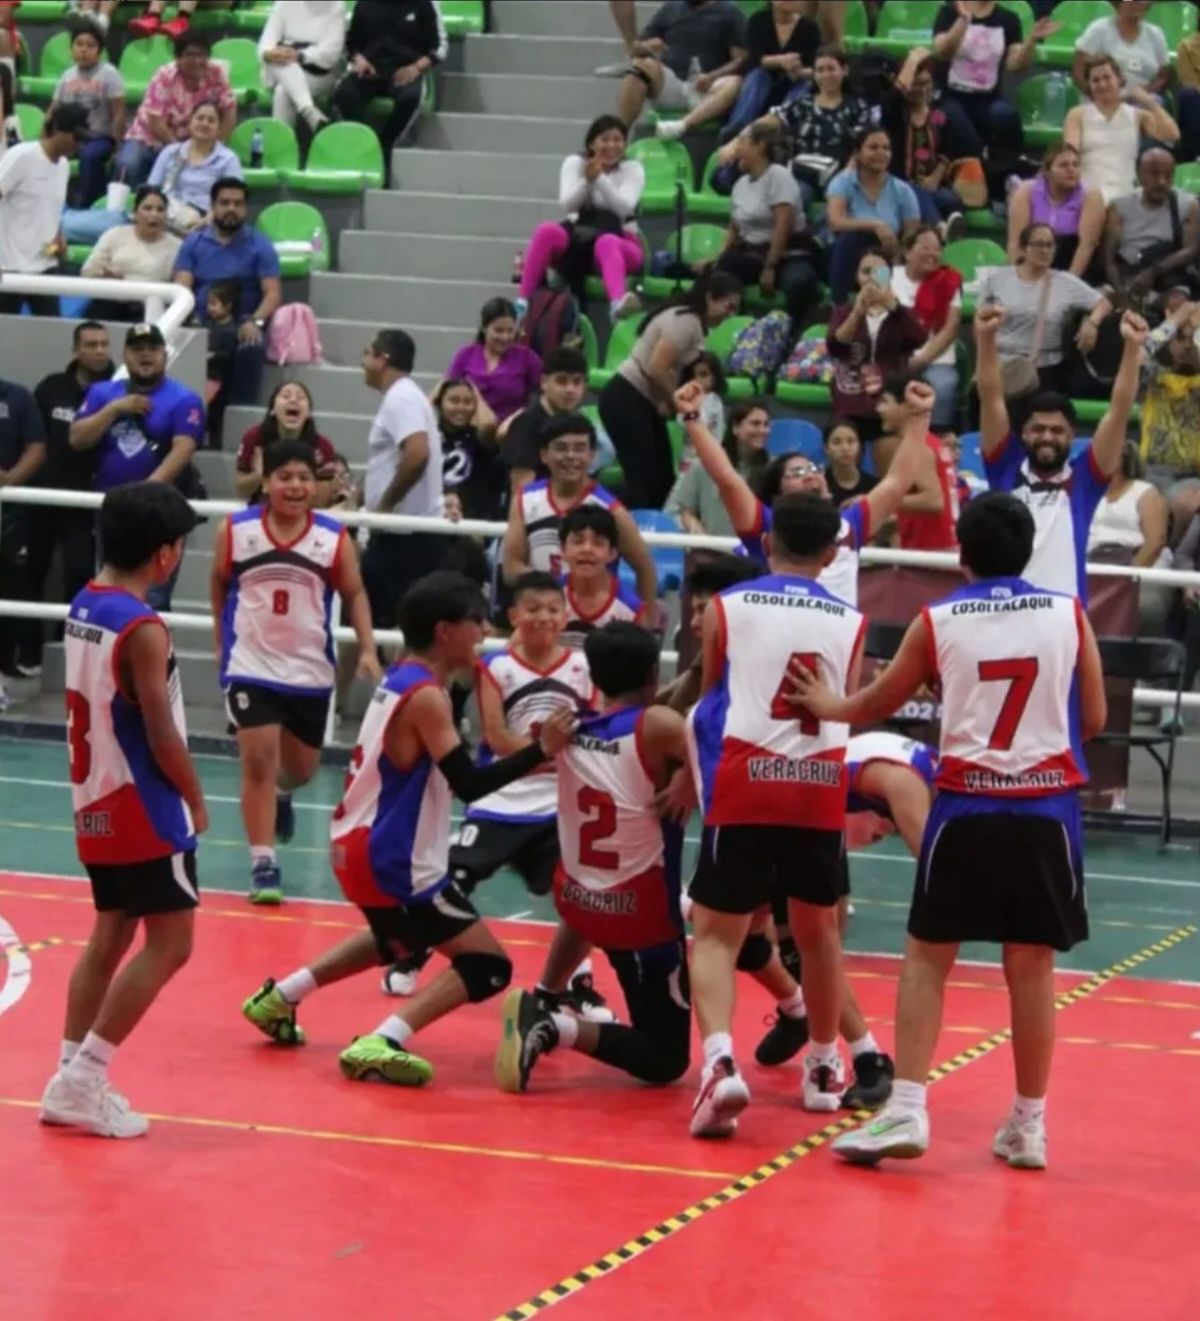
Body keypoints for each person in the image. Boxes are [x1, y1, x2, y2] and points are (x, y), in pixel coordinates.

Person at [791, 493, 1108, 1170]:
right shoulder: (1069, 613)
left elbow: (881, 700)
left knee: (929, 955)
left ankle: (907, 1106)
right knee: (1032, 965)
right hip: (1046, 810)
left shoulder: (937, 620)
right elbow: (1095, 718)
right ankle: (1029, 1124)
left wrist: (828, 704)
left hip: (967, 806)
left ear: (962, 554)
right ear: (1027, 550)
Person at [241, 572, 576, 1084]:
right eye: (476, 622)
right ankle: (383, 1039)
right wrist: (541, 750)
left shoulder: (402, 677)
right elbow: (470, 784)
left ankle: (281, 996)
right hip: (393, 857)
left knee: (398, 938)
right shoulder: (426, 698)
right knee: (488, 966)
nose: (485, 632)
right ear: (446, 631)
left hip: (357, 846)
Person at [680, 489, 866, 1133]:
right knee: (819, 935)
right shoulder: (851, 620)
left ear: (766, 543)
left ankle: (719, 1064)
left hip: (747, 780)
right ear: (832, 554)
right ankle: (823, 1067)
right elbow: (848, 700)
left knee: (716, 935)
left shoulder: (727, 606)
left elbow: (714, 694)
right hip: (818, 785)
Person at [38, 482, 206, 1139]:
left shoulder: (85, 601)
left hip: (94, 799)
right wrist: (195, 796)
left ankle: (67, 1074)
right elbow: (161, 732)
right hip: (142, 801)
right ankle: (83, 1077)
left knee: (111, 930)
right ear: (165, 554)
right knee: (173, 942)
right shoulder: (142, 627)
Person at [495, 621, 694, 1094]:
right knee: (665, 1061)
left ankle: (546, 995)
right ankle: (553, 1027)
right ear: (653, 673)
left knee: (592, 889)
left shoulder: (567, 727)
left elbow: (651, 711)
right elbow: (706, 741)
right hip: (641, 920)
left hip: (579, 902)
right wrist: (689, 775)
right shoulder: (659, 729)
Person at [212, 440, 379, 905]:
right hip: (251, 665)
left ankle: (283, 795)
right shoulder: (237, 530)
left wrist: (368, 648)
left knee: (301, 770)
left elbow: (355, 593)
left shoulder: (333, 538)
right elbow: (219, 584)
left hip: (308, 670)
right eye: (284, 477)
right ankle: (263, 864)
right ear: (266, 482)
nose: (295, 486)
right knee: (258, 763)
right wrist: (221, 640)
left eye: (304, 478)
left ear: (317, 486)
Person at [676, 374, 927, 606]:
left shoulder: (851, 526)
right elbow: (727, 479)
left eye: (813, 469)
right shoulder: (766, 528)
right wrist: (693, 419)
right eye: (796, 473)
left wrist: (920, 415)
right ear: (778, 495)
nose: (810, 476)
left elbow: (897, 482)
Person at [975, 303, 1147, 601]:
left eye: (1057, 431)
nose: (1047, 437)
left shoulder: (1085, 480)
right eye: (1038, 429)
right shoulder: (1004, 467)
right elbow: (991, 397)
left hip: (1064, 618)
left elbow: (1119, 410)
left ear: (1071, 436)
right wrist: (986, 338)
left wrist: (1132, 347)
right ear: (1024, 433)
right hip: (1005, 612)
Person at [68, 323, 206, 611]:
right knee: (108, 591)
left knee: (152, 599)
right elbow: (77, 439)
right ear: (124, 355)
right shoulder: (102, 393)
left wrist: (142, 497)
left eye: (153, 349)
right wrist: (115, 409)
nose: (145, 355)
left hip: (159, 515)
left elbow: (183, 449)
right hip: (111, 510)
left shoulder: (184, 399)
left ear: (165, 355)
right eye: (137, 349)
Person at [598, 270, 743, 510]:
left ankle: (657, 527)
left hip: (642, 401)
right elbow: (656, 369)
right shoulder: (686, 322)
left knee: (663, 479)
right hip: (626, 398)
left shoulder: (691, 321)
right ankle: (630, 528)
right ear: (710, 297)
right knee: (643, 480)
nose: (731, 314)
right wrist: (676, 403)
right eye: (728, 306)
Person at [25, 323, 115, 674]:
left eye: (104, 344)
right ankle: (29, 653)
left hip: (88, 501)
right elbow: (34, 439)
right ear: (76, 350)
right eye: (91, 344)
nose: (99, 350)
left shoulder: (118, 389)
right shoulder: (51, 388)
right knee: (30, 573)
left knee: (79, 573)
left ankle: (66, 650)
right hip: (43, 495)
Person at [501, 413, 658, 606]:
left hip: (595, 616)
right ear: (543, 455)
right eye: (561, 448)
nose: (570, 456)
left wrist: (644, 615)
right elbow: (511, 568)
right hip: (544, 613)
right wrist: (553, 587)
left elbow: (645, 569)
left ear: (591, 455)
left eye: (579, 448)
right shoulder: (525, 499)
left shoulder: (611, 509)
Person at [517, 116, 645, 323]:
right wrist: (586, 181)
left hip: (619, 241)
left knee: (607, 242)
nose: (611, 146)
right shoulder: (575, 163)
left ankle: (617, 306)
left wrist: (599, 179)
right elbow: (568, 204)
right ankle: (523, 302)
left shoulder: (633, 169)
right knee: (546, 230)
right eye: (605, 139)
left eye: (617, 140)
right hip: (579, 237)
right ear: (592, 144)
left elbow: (624, 208)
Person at [360, 329, 445, 631]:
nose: (362, 362)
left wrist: (384, 506)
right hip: (406, 534)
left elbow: (417, 454)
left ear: (382, 359)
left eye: (367, 353)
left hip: (403, 537)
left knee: (368, 622)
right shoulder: (406, 396)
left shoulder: (401, 397)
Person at [173, 177, 282, 408]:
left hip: (243, 323)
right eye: (224, 203)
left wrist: (256, 322)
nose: (231, 208)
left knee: (251, 345)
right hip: (202, 322)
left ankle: (238, 413)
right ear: (213, 206)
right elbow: (181, 290)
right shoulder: (193, 243)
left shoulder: (261, 245)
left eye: (238, 203)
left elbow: (272, 293)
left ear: (245, 208)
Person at [714, 45, 869, 202]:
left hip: (838, 176)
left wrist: (846, 176)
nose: (826, 75)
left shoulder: (858, 107)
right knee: (793, 196)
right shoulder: (802, 104)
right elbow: (767, 121)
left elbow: (861, 146)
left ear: (844, 70)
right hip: (802, 174)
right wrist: (735, 142)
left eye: (831, 69)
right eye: (820, 70)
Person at [977, 223, 1112, 397]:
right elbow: (979, 319)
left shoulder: (1065, 282)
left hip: (1044, 369)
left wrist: (1092, 323)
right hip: (1001, 364)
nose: (1045, 250)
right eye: (1038, 244)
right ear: (1023, 249)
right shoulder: (998, 279)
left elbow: (1103, 303)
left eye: (1050, 245)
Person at [709, 121, 819, 334]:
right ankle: (734, 330)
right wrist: (716, 258)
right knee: (724, 269)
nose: (737, 149)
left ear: (759, 146)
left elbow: (783, 224)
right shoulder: (740, 185)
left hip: (787, 254)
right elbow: (734, 229)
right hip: (753, 253)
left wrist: (770, 267)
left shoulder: (778, 175)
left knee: (799, 282)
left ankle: (791, 336)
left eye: (742, 142)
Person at [931, 0, 1056, 162]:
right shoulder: (949, 12)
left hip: (988, 98)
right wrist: (963, 21)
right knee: (957, 122)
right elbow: (942, 52)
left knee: (1006, 116)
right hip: (950, 95)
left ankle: (1010, 168)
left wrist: (1031, 40)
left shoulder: (1008, 19)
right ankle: (976, 164)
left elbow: (1014, 65)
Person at [332, 0, 447, 169]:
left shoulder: (425, 3)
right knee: (343, 96)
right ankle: (368, 143)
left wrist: (416, 68)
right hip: (370, 70)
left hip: (407, 70)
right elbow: (351, 43)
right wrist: (358, 59)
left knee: (410, 99)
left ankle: (386, 145)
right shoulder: (364, 3)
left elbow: (440, 47)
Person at [115, 31, 236, 189]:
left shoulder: (216, 73)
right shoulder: (164, 76)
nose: (197, 60)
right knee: (128, 165)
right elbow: (155, 122)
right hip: (150, 137)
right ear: (178, 58)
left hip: (196, 142)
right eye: (190, 55)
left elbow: (229, 109)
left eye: (202, 54)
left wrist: (217, 144)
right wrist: (179, 151)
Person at [828, 249, 926, 444]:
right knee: (845, 439)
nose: (872, 278)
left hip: (889, 401)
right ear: (857, 277)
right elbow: (835, 347)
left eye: (879, 272)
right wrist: (857, 313)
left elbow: (919, 338)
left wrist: (894, 307)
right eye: (866, 271)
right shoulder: (843, 312)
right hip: (850, 399)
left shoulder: (902, 313)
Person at [0, 103, 88, 317]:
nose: (79, 144)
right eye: (76, 136)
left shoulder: (64, 166)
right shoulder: (22, 156)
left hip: (45, 264)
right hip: (9, 265)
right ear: (56, 129)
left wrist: (59, 235)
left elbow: (52, 208)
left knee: (52, 329)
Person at [617, 0, 748, 140]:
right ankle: (619, 133)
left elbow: (740, 59)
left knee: (734, 83)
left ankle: (681, 125)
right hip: (672, 84)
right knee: (639, 66)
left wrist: (712, 76)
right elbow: (637, 49)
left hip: (707, 89)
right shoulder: (670, 8)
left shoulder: (730, 13)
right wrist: (647, 46)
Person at [1063, 56, 1178, 207]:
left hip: (1125, 195)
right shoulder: (1077, 114)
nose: (1102, 84)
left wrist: (1149, 102)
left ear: (1119, 79)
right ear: (1089, 85)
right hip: (1088, 194)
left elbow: (1172, 135)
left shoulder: (1137, 116)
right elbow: (1070, 155)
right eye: (1095, 80)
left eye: (1107, 77)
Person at [825, 127, 920, 305]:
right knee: (849, 238)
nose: (881, 153)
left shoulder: (902, 190)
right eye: (873, 147)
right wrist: (875, 225)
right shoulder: (842, 183)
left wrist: (897, 253)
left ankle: (895, 304)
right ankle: (839, 307)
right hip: (850, 258)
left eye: (886, 148)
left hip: (888, 256)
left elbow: (912, 235)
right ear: (857, 153)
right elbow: (835, 222)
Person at [1103, 149, 1200, 305]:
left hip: (1168, 280)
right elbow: (1109, 260)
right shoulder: (1119, 207)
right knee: (1100, 301)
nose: (1162, 182)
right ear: (1139, 175)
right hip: (1127, 278)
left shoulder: (1188, 205)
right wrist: (1121, 292)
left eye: (1168, 176)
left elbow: (1191, 250)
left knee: (1178, 303)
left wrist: (1153, 271)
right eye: (1154, 174)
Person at [881, 48, 963, 230]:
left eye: (927, 83)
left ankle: (952, 233)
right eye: (917, 85)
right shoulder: (896, 115)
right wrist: (912, 61)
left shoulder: (939, 115)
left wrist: (934, 178)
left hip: (931, 185)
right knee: (915, 194)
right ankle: (940, 228)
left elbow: (946, 152)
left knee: (951, 201)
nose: (923, 90)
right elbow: (896, 96)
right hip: (899, 184)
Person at [890, 226, 963, 430]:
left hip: (935, 359)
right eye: (925, 248)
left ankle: (936, 437)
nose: (933, 254)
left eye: (937, 249)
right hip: (893, 358)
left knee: (943, 386)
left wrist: (921, 360)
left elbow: (949, 330)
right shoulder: (889, 277)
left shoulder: (949, 281)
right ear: (907, 252)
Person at [0, 372, 47, 684]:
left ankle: (5, 666)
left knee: (10, 587)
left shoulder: (17, 396)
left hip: (9, 512)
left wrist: (9, 482)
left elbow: (37, 448)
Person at [47, 19, 124, 207]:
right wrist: (45, 139)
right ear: (71, 49)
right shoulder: (67, 76)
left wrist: (118, 146)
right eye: (79, 44)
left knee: (90, 156)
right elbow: (53, 109)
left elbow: (119, 113)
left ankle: (88, 205)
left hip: (99, 137)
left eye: (90, 45)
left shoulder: (109, 74)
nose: (83, 50)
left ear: (100, 51)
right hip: (71, 137)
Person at [667, 399, 770, 535]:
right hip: (711, 546)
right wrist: (690, 523)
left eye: (766, 424)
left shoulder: (773, 469)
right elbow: (674, 510)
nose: (763, 430)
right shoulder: (702, 466)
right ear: (735, 427)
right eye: (755, 424)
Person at [496, 345, 588, 496]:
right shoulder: (525, 425)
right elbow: (522, 493)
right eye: (562, 381)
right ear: (544, 382)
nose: (570, 389)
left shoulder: (581, 425)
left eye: (577, 382)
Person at [721, 0, 819, 142]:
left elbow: (815, 68)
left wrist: (799, 72)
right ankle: (737, 130)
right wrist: (780, 61)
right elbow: (754, 58)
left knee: (804, 84)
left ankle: (785, 131)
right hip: (762, 84)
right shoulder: (758, 21)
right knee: (758, 76)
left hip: (793, 84)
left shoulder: (809, 28)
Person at [1006, 143, 1106, 281]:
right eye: (1063, 165)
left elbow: (1086, 246)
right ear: (1047, 171)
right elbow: (1015, 242)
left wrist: (1067, 283)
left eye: (1076, 165)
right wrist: (1019, 279)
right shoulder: (1026, 191)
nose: (1071, 170)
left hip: (1074, 265)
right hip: (1035, 261)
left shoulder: (1091, 196)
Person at [558, 505, 652, 647]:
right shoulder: (548, 598)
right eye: (578, 541)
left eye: (598, 543)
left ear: (612, 553)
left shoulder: (631, 610)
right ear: (563, 550)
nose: (587, 549)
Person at [234, 380, 336, 504]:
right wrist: (259, 475)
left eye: (300, 397)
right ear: (272, 409)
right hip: (263, 510)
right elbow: (240, 490)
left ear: (309, 413)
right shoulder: (255, 439)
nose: (293, 400)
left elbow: (321, 501)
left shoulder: (322, 446)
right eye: (286, 396)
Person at [148, 101, 242, 234]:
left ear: (218, 129)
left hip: (207, 224)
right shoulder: (171, 152)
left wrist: (209, 220)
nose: (205, 123)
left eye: (211, 120)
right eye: (200, 118)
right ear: (189, 124)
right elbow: (151, 190)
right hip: (167, 220)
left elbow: (233, 200)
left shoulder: (228, 159)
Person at [447, 298, 542, 424]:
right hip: (469, 425)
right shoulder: (465, 355)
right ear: (484, 328)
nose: (505, 337)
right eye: (499, 331)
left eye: (510, 331)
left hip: (512, 428)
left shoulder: (527, 358)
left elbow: (541, 395)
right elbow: (447, 391)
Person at [81, 185, 182, 302]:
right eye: (148, 208)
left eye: (160, 210)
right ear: (135, 213)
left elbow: (179, 288)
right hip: (110, 300)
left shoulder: (177, 246)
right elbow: (87, 271)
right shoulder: (115, 234)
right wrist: (105, 272)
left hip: (152, 305)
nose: (154, 214)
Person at [258, 0, 347, 132]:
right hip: (279, 67)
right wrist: (273, 54)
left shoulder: (336, 5)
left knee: (282, 92)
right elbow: (265, 44)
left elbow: (330, 54)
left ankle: (284, 143)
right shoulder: (284, 3)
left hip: (319, 73)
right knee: (280, 60)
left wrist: (300, 55)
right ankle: (309, 112)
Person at [433, 378, 504, 521]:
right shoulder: (428, 435)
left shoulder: (479, 438)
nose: (461, 407)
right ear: (440, 403)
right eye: (454, 401)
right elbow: (416, 418)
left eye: (467, 402)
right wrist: (435, 395)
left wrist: (474, 390)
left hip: (472, 519)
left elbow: (489, 423)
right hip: (433, 516)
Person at [1073, 0, 1169, 96]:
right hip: (1101, 98)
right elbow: (1079, 71)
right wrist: (1101, 97)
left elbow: (1162, 77)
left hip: (1145, 99)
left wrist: (1142, 94)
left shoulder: (1156, 34)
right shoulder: (1098, 29)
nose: (1138, 4)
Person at [823, 418, 875, 507]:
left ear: (859, 446)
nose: (845, 448)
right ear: (826, 448)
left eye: (851, 441)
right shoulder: (820, 484)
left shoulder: (875, 486)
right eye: (837, 442)